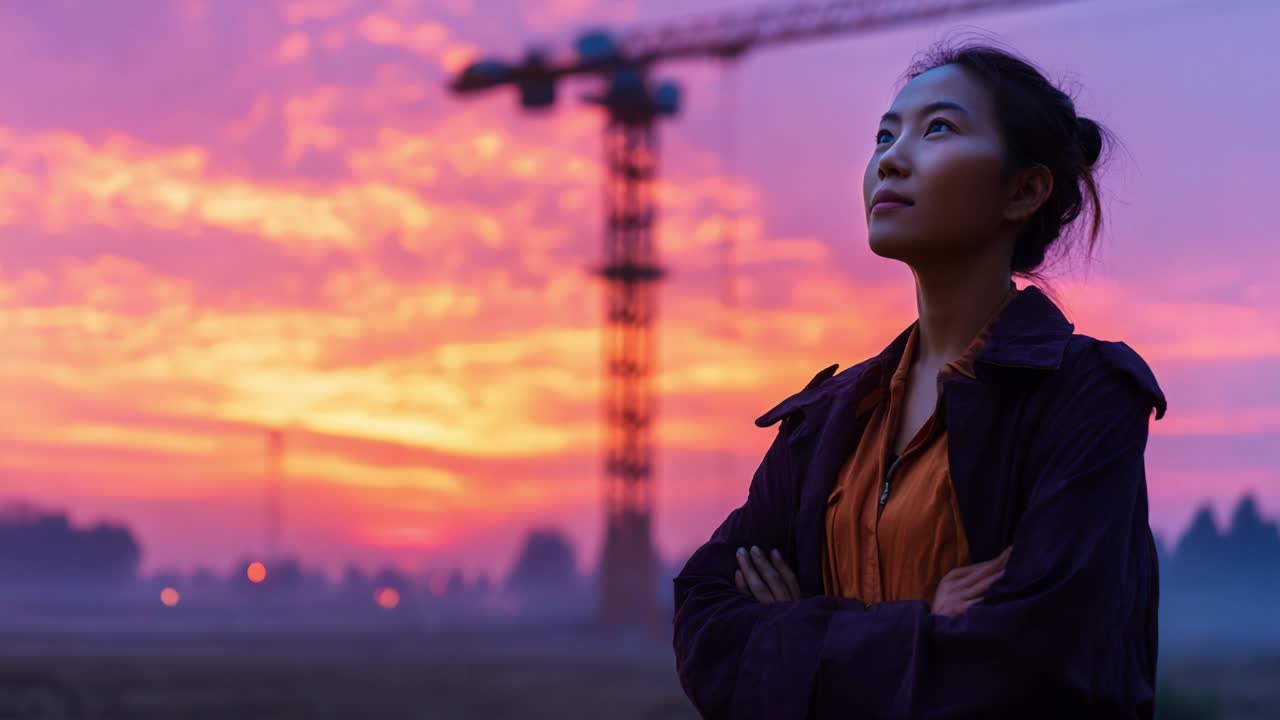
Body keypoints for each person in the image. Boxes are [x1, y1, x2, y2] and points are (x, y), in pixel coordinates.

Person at [672, 38, 1167, 720]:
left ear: (1024, 190)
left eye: (938, 129)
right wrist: (923, 622)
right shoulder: (831, 416)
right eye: (884, 135)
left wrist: (800, 634)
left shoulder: (1083, 396)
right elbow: (705, 619)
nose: (890, 160)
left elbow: (1040, 663)